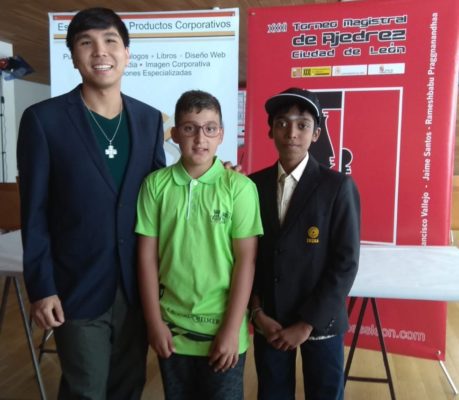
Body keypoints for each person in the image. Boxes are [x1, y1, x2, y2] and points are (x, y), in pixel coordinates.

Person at [17, 7, 165, 399]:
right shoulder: (43, 120)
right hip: (76, 285)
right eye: (86, 43)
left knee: (129, 387)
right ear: (73, 57)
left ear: (127, 53)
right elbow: (34, 212)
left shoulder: (149, 120)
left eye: (110, 41)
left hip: (136, 285)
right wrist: (42, 287)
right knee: (85, 389)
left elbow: (162, 194)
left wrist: (211, 175)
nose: (100, 51)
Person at [136, 90, 263, 400]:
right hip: (172, 331)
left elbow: (246, 261)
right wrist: (153, 322)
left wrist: (231, 330)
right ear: (176, 134)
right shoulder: (155, 185)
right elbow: (146, 259)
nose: (200, 138)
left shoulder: (240, 188)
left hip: (223, 330)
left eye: (209, 128)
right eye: (190, 128)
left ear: (221, 134)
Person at [249, 87, 360, 400]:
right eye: (282, 123)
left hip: (321, 321)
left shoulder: (337, 186)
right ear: (270, 130)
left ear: (316, 134)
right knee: (272, 393)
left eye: (302, 124)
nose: (291, 133)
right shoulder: (252, 186)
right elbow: (249, 255)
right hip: (270, 319)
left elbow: (345, 262)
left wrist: (308, 323)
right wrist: (256, 311)